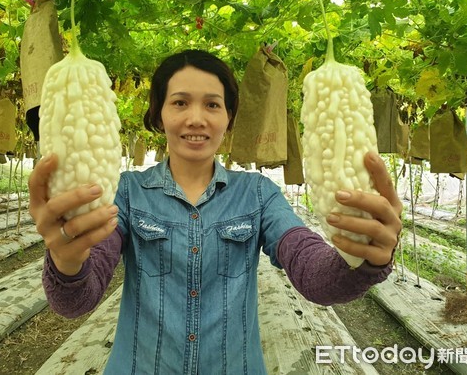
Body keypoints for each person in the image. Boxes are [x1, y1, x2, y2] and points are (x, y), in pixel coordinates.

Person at [29, 49, 403, 374]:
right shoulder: (125, 193)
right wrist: (67, 262)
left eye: (212, 104)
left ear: (228, 118)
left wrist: (361, 258)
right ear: (159, 115)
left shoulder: (258, 194)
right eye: (179, 102)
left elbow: (311, 273)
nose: (196, 118)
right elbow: (77, 301)